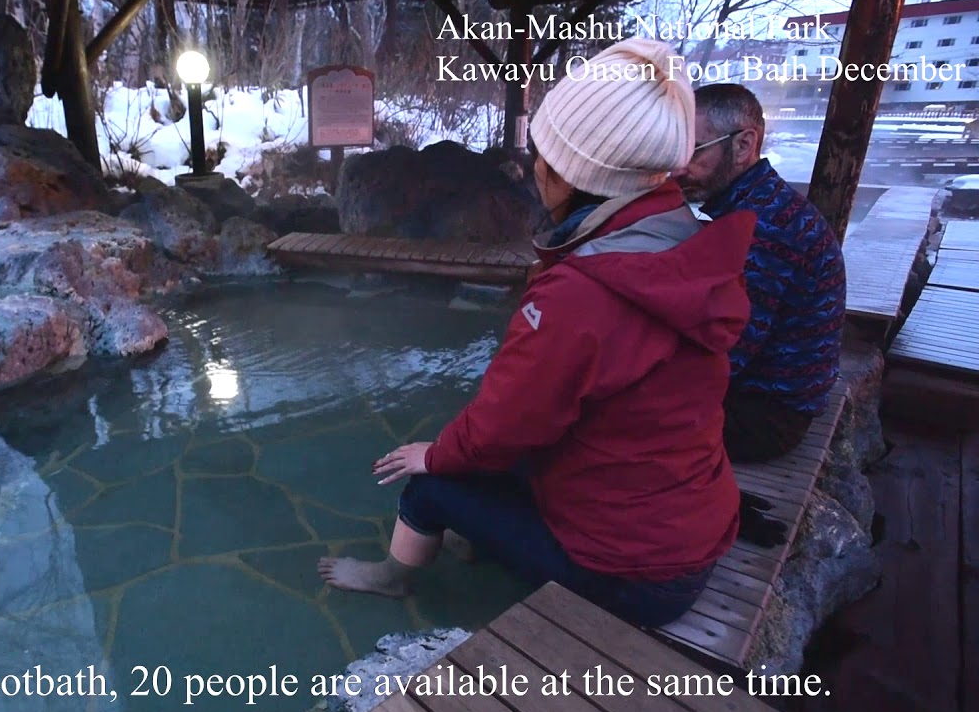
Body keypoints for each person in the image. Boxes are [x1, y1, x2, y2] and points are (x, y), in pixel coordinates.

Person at [316, 38, 757, 629]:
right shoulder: (687, 243)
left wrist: (437, 456)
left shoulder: (583, 293)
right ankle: (474, 530)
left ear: (573, 172)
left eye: (543, 156)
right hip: (691, 530)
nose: (533, 169)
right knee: (484, 459)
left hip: (631, 577)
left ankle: (392, 578)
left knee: (431, 479)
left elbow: (503, 425)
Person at [674, 84, 846, 463]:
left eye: (693, 150)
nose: (679, 167)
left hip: (766, 415)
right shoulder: (761, 203)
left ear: (743, 145)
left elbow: (724, 354)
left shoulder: (765, 227)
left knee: (606, 420)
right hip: (769, 392)